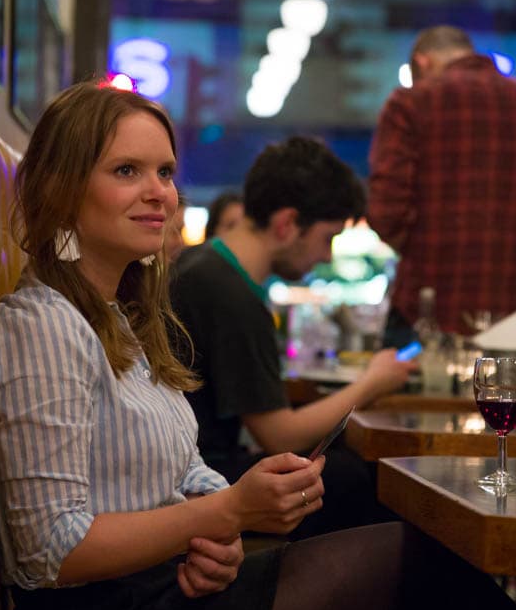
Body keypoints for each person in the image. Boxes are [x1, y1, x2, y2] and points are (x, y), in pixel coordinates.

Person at [0, 82, 516, 610]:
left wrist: (221, 534)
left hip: (166, 586)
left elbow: (182, 468)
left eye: (165, 173)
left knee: (430, 564)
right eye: (127, 171)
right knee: (426, 568)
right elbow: (48, 549)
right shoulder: (42, 324)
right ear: (61, 187)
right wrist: (229, 512)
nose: (159, 194)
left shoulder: (119, 317)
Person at [171, 136, 416, 538]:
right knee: (366, 481)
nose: (326, 256)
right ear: (286, 224)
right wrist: (373, 381)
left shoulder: (204, 266)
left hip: (192, 471)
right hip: (198, 484)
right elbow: (278, 434)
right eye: (327, 238)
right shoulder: (231, 294)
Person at [368, 25, 516, 348]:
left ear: (423, 63)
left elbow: (384, 212)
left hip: (423, 315)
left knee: (404, 398)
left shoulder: (409, 104)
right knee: (500, 399)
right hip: (510, 324)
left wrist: (428, 249)